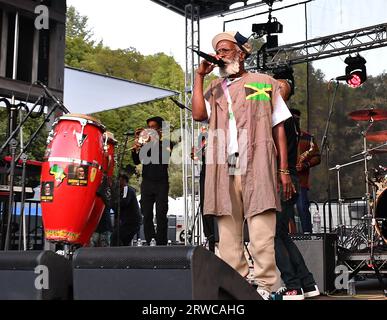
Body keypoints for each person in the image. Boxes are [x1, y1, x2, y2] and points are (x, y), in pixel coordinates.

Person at [192, 31, 294, 300]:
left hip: (258, 163)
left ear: (241, 52)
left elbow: (279, 128)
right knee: (227, 232)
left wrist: (284, 170)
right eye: (218, 51)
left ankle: (269, 286)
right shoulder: (214, 88)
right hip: (225, 165)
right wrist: (200, 76)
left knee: (261, 231)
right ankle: (235, 286)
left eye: (226, 50)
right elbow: (198, 114)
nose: (221, 55)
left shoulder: (264, 83)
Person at [272, 77, 320, 300]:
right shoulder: (286, 118)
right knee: (282, 234)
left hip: (282, 177)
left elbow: (278, 151)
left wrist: (283, 174)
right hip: (287, 176)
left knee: (274, 235)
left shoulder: (281, 118)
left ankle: (292, 285)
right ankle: (307, 283)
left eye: (275, 86)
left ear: (282, 91)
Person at [131, 116, 173, 245]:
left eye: (153, 127)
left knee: (161, 214)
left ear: (160, 129)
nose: (149, 130)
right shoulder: (145, 144)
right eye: (148, 127)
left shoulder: (166, 143)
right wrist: (136, 149)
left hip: (161, 183)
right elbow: (137, 161)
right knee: (147, 214)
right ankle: (150, 240)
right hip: (147, 182)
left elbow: (164, 157)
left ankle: (161, 242)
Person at [291, 108, 321, 233]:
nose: (295, 121)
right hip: (285, 179)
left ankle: (307, 235)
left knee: (303, 208)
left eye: (297, 119)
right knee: (287, 212)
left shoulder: (308, 137)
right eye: (292, 119)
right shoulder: (281, 136)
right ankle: (288, 237)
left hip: (301, 181)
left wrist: (305, 165)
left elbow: (317, 157)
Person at [191, 126, 216, 252]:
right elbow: (199, 156)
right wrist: (196, 153)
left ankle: (219, 238)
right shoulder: (203, 134)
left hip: (220, 171)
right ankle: (210, 238)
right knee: (205, 207)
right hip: (205, 172)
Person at [111, 173, 142, 246]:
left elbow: (125, 202)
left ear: (124, 181)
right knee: (123, 240)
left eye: (119, 180)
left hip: (131, 222)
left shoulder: (126, 188)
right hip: (130, 222)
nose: (117, 182)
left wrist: (114, 202)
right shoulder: (122, 191)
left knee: (115, 237)